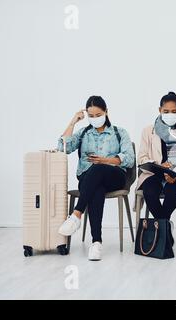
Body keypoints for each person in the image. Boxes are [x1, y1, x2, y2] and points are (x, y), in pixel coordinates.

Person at [57, 96, 135, 261]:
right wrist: (73, 122)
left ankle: (77, 214)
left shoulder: (119, 132)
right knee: (96, 188)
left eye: (98, 114)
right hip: (88, 178)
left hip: (115, 176)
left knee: (98, 167)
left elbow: (129, 158)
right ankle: (96, 242)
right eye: (90, 116)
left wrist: (105, 160)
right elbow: (62, 148)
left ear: (106, 112)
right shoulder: (84, 133)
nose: (94, 119)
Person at [136, 92, 176, 243]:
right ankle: (165, 229)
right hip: (153, 174)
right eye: (166, 111)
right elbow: (141, 158)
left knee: (172, 192)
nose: (170, 114)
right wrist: (158, 166)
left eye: (174, 111)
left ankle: (161, 230)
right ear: (159, 110)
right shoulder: (148, 131)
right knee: (150, 192)